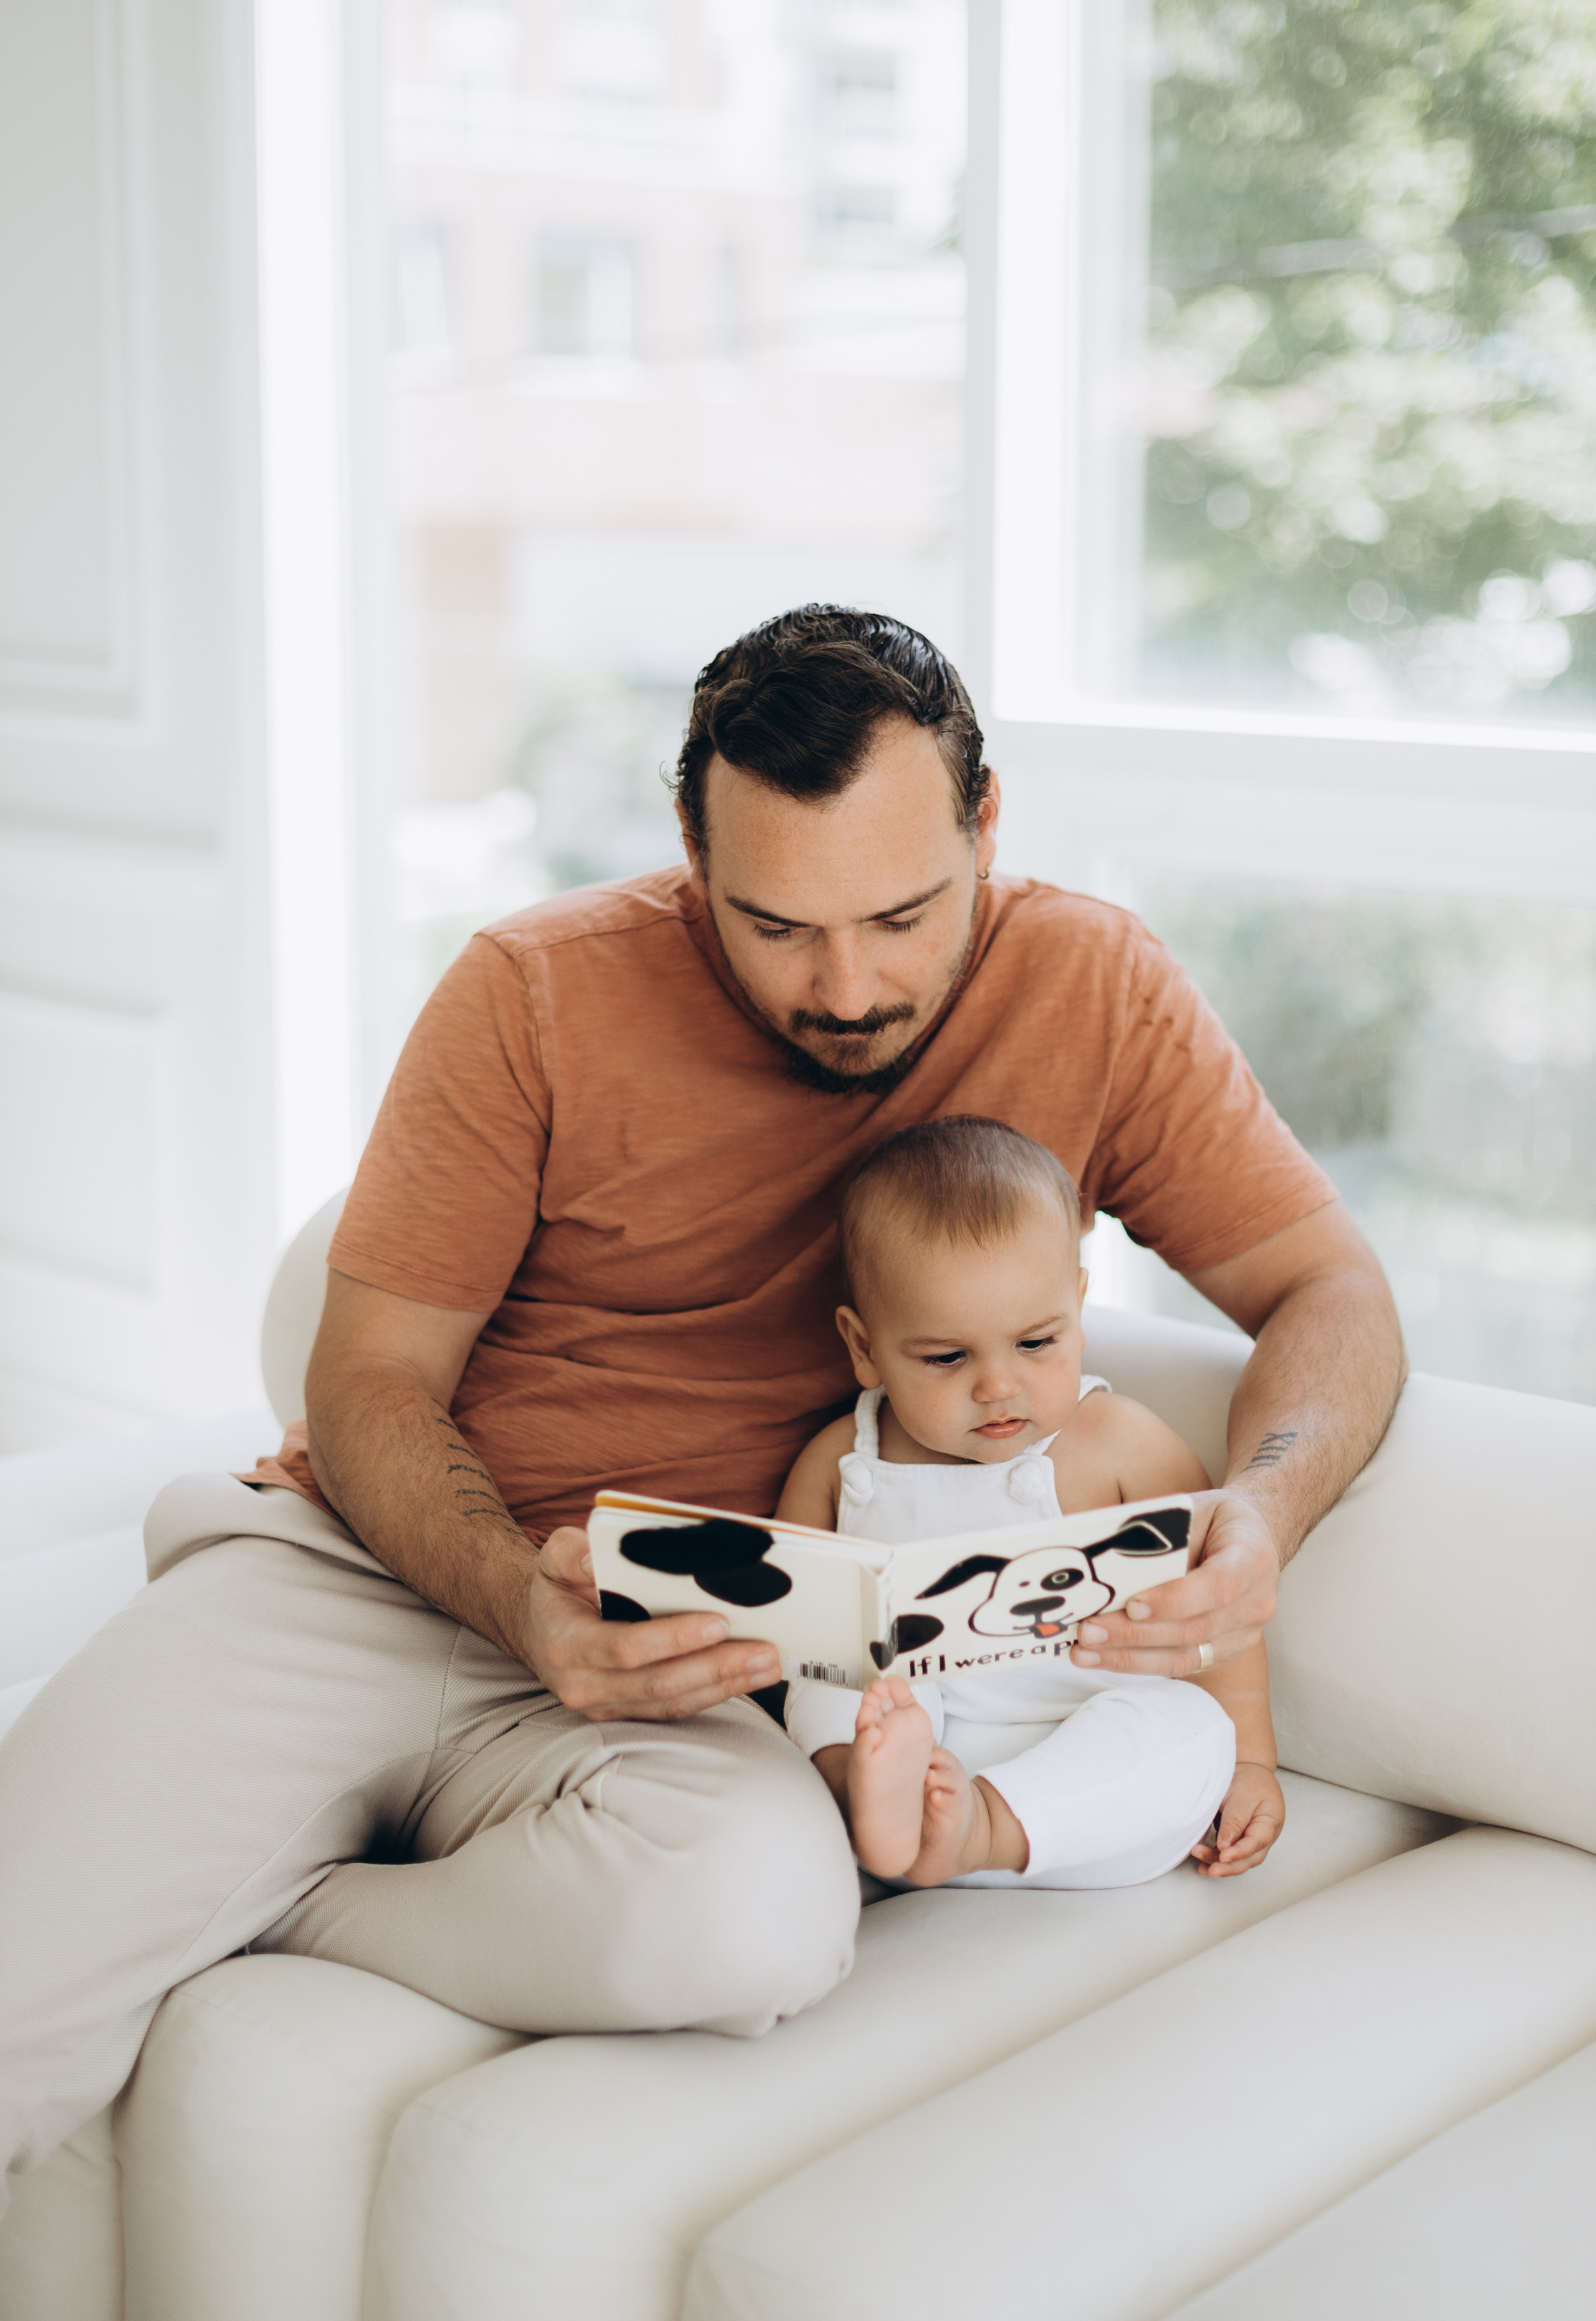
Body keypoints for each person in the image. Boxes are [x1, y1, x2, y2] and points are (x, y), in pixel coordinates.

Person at [0, 605, 1404, 2206]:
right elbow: (367, 1376)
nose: (848, 983)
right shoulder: (528, 992)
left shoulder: (1091, 985)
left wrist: (1264, 1507)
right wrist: (511, 1601)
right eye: (774, 925)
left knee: (758, 1925)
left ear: (984, 820)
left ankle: (279, 1890)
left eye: (899, 912)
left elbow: (1330, 1292)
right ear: (687, 848)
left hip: (705, 1665)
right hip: (371, 1572)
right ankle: (188, 1872)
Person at [779, 1115, 1281, 1890]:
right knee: (836, 1660)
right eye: (947, 1357)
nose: (997, 1386)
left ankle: (977, 1831)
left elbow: (1217, 1612)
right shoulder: (843, 1463)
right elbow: (786, 1625)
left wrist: (1249, 1759)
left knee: (1189, 1730)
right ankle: (871, 1797)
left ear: (1079, 1307)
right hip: (921, 1759)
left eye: (1036, 1343)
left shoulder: (1118, 1444)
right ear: (864, 1347)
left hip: (1086, 1795)